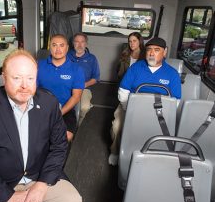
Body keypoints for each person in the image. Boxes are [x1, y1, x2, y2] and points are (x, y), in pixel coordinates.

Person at [0, 49, 82, 202]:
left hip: (39, 175)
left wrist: (42, 184)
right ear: (4, 78)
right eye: (17, 78)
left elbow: (59, 146)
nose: (25, 85)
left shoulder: (49, 103)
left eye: (30, 78)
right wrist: (8, 196)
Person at [108, 37, 182, 166]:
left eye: (157, 50)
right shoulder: (135, 68)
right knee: (117, 127)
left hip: (159, 112)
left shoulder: (172, 74)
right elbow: (123, 91)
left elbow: (176, 101)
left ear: (164, 52)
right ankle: (116, 151)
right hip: (131, 106)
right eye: (149, 50)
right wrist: (128, 110)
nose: (152, 53)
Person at [37, 34, 85, 142]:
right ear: (50, 47)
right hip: (41, 109)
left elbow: (76, 97)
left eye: (61, 45)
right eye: (54, 45)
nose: (58, 49)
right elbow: (32, 91)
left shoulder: (77, 69)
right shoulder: (38, 66)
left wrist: (59, 113)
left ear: (67, 48)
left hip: (64, 110)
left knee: (66, 136)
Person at [108, 32, 145, 165]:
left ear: (140, 41)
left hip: (140, 95)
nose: (132, 44)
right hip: (125, 91)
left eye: (134, 41)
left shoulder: (146, 57)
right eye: (130, 41)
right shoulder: (125, 55)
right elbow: (119, 75)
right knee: (116, 127)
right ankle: (115, 151)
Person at [68, 32, 100, 126]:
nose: (79, 44)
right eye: (77, 42)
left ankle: (77, 125)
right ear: (73, 43)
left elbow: (96, 78)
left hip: (84, 88)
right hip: (67, 86)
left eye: (82, 42)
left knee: (84, 107)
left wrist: (83, 85)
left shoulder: (92, 58)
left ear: (86, 44)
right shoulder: (66, 55)